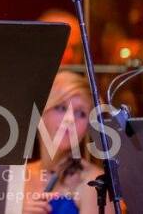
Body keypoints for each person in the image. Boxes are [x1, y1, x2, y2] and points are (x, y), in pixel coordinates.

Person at [22, 70, 103, 214]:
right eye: (61, 108)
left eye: (81, 113)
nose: (70, 119)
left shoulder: (94, 181)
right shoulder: (15, 176)